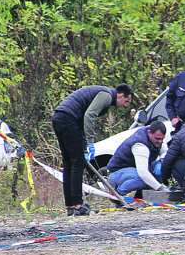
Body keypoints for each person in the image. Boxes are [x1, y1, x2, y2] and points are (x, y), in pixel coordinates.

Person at [51, 84, 134, 216]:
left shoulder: (104, 94)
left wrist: (83, 146)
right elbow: (89, 115)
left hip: (59, 117)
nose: (125, 105)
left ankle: (71, 206)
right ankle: (78, 205)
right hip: (68, 119)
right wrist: (90, 142)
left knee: (69, 164)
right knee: (78, 164)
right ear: (120, 95)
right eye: (126, 101)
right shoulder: (107, 95)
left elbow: (82, 120)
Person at [106, 121, 168, 197]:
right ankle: (117, 194)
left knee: (165, 163)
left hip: (134, 169)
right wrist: (161, 188)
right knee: (142, 178)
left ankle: (142, 195)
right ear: (149, 133)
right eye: (157, 138)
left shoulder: (154, 138)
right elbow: (143, 173)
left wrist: (161, 161)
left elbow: (166, 153)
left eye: (162, 139)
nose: (160, 142)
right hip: (117, 172)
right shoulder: (140, 145)